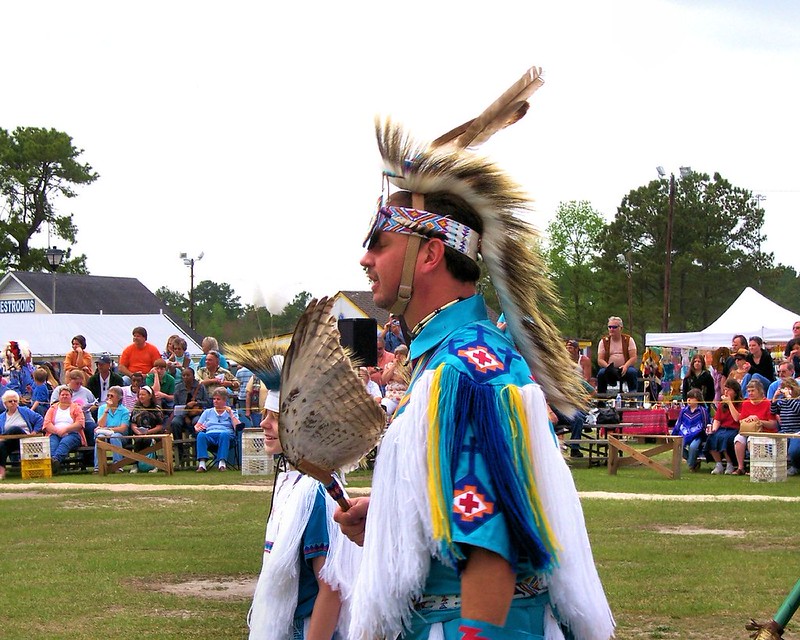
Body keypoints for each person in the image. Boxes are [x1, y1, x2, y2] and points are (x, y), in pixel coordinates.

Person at [334, 118, 613, 640]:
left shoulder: (466, 369)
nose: (365, 259)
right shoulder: (454, 359)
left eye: (380, 243)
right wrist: (395, 517)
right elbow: (471, 505)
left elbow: (493, 542)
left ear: (430, 254)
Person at [249, 364, 355, 640]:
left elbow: (331, 587)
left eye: (276, 418)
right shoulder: (292, 483)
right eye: (265, 415)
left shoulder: (317, 493)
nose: (264, 424)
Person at [732, 379, 777, 475]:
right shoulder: (746, 403)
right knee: (738, 439)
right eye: (748, 391)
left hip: (765, 432)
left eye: (753, 391)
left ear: (760, 391)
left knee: (751, 439)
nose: (750, 393)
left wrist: (759, 421)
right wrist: (748, 420)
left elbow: (773, 424)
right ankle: (740, 467)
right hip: (749, 430)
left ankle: (756, 467)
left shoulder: (767, 403)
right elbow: (741, 420)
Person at [0, 389, 44, 480]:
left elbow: (39, 419)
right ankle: (2, 471)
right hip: (10, 442)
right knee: (1, 446)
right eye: (10, 401)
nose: (13, 403)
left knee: (14, 428)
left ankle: (3, 438)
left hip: (25, 440)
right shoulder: (1, 417)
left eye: (15, 401)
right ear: (5, 403)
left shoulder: (25, 411)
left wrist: (35, 431)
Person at [194, 388, 240, 472]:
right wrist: (197, 428)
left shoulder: (231, 412)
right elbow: (197, 426)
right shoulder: (207, 412)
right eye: (214, 399)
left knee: (224, 434)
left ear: (224, 400)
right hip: (210, 435)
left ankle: (222, 464)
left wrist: (231, 414)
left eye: (218, 399)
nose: (215, 401)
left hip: (226, 436)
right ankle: (202, 465)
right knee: (201, 435)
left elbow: (237, 427)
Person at [43, 385, 86, 471]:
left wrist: (65, 430)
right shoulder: (52, 408)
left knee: (65, 443)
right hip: (54, 433)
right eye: (62, 395)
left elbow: (80, 423)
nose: (64, 396)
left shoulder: (76, 408)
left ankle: (55, 461)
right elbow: (47, 424)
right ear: (59, 396)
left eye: (67, 395)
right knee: (53, 444)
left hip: (72, 434)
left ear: (71, 396)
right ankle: (54, 463)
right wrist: (57, 431)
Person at [51, 369, 98, 447]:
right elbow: (53, 405)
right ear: (70, 380)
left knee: (92, 428)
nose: (79, 385)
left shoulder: (86, 391)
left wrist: (88, 408)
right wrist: (74, 407)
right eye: (77, 383)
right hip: (67, 421)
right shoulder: (60, 390)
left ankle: (90, 452)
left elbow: (95, 404)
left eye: (81, 383)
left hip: (85, 420)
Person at [706, 379, 743, 475]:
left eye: (729, 390)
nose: (726, 392)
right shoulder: (721, 404)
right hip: (723, 428)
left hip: (734, 428)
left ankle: (730, 464)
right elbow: (717, 419)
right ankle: (718, 464)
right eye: (725, 389)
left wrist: (730, 403)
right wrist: (713, 429)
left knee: (725, 438)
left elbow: (737, 418)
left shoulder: (741, 403)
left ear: (735, 392)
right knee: (712, 437)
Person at [92, 385, 130, 473]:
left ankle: (117, 465)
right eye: (108, 395)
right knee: (100, 437)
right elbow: (100, 424)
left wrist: (108, 429)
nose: (109, 397)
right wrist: (107, 410)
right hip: (104, 433)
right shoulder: (102, 408)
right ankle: (98, 466)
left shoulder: (124, 411)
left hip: (120, 435)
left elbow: (122, 428)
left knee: (114, 437)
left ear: (119, 398)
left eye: (112, 396)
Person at [596, 316, 638, 394]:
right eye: (609, 327)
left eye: (614, 327)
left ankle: (633, 395)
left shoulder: (628, 340)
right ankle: (602, 397)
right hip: (608, 367)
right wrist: (608, 367)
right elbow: (600, 360)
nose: (611, 329)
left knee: (632, 372)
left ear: (620, 328)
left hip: (625, 367)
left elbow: (633, 357)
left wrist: (626, 366)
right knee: (601, 373)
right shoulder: (603, 341)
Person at [671, 389, 710, 472]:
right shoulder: (684, 411)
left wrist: (704, 435)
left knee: (693, 447)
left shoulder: (702, 411)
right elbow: (679, 423)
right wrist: (674, 433)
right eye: (688, 397)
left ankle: (691, 465)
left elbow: (706, 424)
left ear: (698, 400)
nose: (688, 400)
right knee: (678, 446)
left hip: (698, 435)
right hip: (684, 434)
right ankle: (694, 462)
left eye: (692, 398)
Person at [129, 385, 165, 473]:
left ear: (150, 396)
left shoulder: (156, 409)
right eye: (140, 395)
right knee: (138, 441)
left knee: (149, 440)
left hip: (153, 433)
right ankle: (136, 464)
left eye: (143, 395)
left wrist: (148, 432)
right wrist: (137, 431)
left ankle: (155, 464)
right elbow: (133, 423)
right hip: (139, 433)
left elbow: (160, 426)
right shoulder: (136, 408)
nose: (141, 397)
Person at [169, 367, 210, 440]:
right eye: (183, 375)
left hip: (196, 413)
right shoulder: (178, 387)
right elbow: (175, 405)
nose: (185, 377)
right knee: (175, 422)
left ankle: (196, 443)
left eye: (188, 375)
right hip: (182, 414)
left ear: (193, 376)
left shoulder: (200, 387)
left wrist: (196, 403)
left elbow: (207, 402)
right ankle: (178, 445)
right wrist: (185, 416)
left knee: (197, 422)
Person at [770, 377, 800, 476]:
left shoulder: (797, 400)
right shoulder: (783, 401)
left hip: (797, 432)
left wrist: (789, 398)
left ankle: (796, 466)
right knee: (770, 446)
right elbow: (773, 411)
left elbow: (798, 410)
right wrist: (775, 398)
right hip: (784, 431)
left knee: (794, 451)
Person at [381, 343, 409, 415]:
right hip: (391, 396)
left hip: (404, 396)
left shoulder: (409, 366)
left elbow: (403, 379)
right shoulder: (389, 365)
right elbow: (384, 380)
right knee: (383, 409)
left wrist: (391, 376)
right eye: (396, 354)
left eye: (401, 354)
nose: (398, 356)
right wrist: (393, 366)